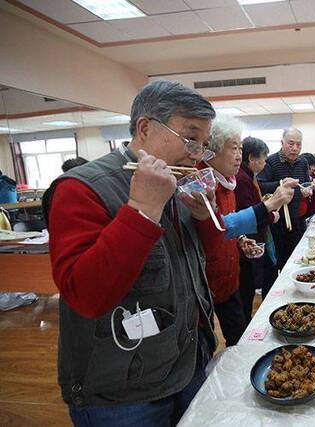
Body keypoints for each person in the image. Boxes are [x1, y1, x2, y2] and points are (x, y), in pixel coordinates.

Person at [43, 80, 218, 425]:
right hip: (122, 389)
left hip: (188, 361)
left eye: (203, 144)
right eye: (190, 138)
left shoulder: (176, 181)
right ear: (145, 128)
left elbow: (192, 270)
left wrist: (204, 218)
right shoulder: (80, 188)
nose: (197, 154)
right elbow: (86, 295)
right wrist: (141, 209)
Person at [197, 116, 294, 345]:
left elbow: (227, 223)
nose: (240, 154)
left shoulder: (228, 180)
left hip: (229, 277)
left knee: (239, 339)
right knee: (208, 343)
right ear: (212, 150)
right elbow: (216, 226)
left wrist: (240, 239)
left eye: (241, 148)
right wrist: (269, 205)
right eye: (233, 148)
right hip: (206, 283)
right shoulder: (200, 182)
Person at [235, 136, 282, 320]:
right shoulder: (242, 179)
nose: (264, 163)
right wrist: (271, 215)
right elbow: (249, 214)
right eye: (263, 158)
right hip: (249, 241)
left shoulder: (248, 176)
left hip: (253, 238)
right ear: (252, 158)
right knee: (247, 289)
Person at [258, 128, 313, 271]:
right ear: (282, 142)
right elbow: (260, 185)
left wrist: (307, 190)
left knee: (297, 258)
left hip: (298, 218)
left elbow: (306, 184)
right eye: (291, 143)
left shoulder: (303, 162)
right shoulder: (271, 161)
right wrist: (281, 183)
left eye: (298, 144)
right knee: (278, 262)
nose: (295, 148)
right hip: (277, 221)